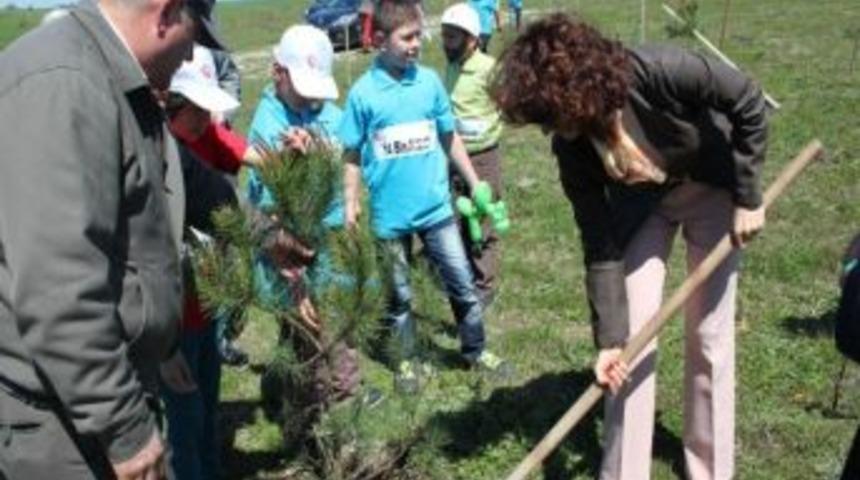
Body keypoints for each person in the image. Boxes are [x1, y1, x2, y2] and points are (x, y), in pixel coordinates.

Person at [490, 13, 768, 480]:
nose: (550, 131)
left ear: (576, 91)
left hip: (711, 186)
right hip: (644, 208)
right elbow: (599, 241)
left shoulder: (661, 69)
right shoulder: (571, 146)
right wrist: (609, 340)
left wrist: (749, 195)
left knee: (710, 336)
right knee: (630, 347)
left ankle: (713, 469)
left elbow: (746, 98)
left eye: (551, 116)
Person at [0, 0, 222, 478]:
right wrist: (125, 427)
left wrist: (263, 230)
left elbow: (184, 180)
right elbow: (58, 289)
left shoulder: (118, 83)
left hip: (90, 401)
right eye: (193, 38)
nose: (189, 59)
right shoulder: (65, 85)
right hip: (60, 423)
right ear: (166, 13)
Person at [340, 0, 512, 394]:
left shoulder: (430, 82)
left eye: (419, 35)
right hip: (389, 217)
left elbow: (448, 136)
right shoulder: (364, 94)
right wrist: (350, 201)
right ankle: (405, 362)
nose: (418, 44)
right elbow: (351, 153)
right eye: (408, 37)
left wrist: (473, 181)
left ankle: (475, 350)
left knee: (462, 284)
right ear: (380, 40)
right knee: (398, 298)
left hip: (437, 210)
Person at [245, 25, 363, 406]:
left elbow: (349, 154)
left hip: (332, 235)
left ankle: (328, 391)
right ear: (278, 72)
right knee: (308, 327)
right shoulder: (269, 125)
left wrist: (350, 200)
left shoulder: (328, 111)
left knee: (335, 321)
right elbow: (270, 210)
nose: (313, 98)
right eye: (304, 87)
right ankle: (326, 403)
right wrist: (293, 274)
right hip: (293, 244)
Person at [160, 46, 248, 480]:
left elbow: (245, 158)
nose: (206, 120)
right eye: (198, 110)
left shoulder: (207, 138)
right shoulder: (155, 155)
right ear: (171, 101)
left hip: (205, 309)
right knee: (182, 422)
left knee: (207, 412)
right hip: (170, 321)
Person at [440, 3, 505, 308]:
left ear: (473, 40)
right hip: (453, 157)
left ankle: (484, 284)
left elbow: (505, 102)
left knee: (483, 218)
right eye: (445, 36)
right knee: (454, 217)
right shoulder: (451, 67)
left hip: (483, 158)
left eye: (453, 38)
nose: (446, 44)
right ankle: (461, 274)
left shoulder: (489, 69)